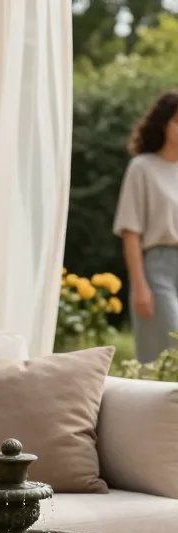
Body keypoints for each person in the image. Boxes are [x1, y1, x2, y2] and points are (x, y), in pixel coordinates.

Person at [113, 90, 178, 362]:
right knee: (166, 352)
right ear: (164, 124)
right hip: (158, 270)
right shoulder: (142, 168)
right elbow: (130, 231)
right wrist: (140, 285)